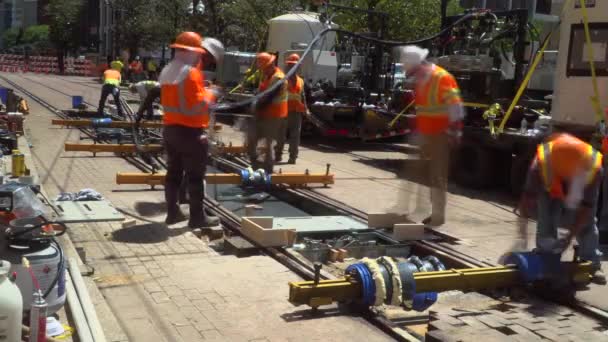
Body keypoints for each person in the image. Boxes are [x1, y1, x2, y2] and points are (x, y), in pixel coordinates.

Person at [518, 133, 605, 284]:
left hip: (577, 176)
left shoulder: (593, 170)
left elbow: (586, 209)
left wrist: (570, 237)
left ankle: (592, 263)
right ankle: (545, 255)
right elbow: (527, 198)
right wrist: (522, 231)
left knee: (587, 224)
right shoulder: (540, 165)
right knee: (546, 218)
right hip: (549, 184)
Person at [159, 31, 219, 229]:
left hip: (170, 130)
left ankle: (173, 213)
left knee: (173, 173)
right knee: (195, 177)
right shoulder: (191, 73)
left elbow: (181, 97)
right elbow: (197, 106)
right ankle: (197, 218)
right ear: (193, 53)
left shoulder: (168, 70)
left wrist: (202, 89)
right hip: (190, 133)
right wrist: (211, 94)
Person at [401, 45, 464, 227]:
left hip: (441, 135)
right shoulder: (422, 78)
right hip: (425, 133)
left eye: (411, 71)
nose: (411, 75)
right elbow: (424, 108)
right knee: (416, 170)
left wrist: (455, 132)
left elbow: (456, 107)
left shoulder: (441, 78)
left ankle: (437, 216)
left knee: (437, 176)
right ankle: (413, 210)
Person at [247, 52, 288, 173]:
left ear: (270, 65)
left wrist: (253, 106)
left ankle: (267, 170)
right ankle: (256, 166)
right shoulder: (268, 76)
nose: (262, 71)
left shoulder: (278, 78)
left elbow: (269, 97)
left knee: (267, 143)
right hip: (264, 114)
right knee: (253, 138)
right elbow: (261, 93)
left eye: (263, 68)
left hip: (274, 115)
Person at [275, 53, 306, 164]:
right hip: (285, 111)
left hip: (294, 112)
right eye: (291, 65)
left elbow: (302, 96)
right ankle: (281, 156)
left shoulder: (299, 81)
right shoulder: (282, 80)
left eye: (294, 65)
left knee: (292, 136)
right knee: (282, 136)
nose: (292, 67)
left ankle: (291, 157)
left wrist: (305, 108)